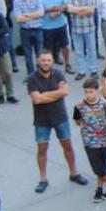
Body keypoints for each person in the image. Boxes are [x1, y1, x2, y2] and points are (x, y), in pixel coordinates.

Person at [27, 50, 87, 193]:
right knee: (42, 149)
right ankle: (43, 179)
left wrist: (44, 95)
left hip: (60, 117)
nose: (46, 63)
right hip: (41, 120)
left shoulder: (59, 74)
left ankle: (74, 173)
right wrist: (56, 94)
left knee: (67, 146)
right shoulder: (32, 79)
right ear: (38, 62)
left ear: (52, 61)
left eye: (48, 60)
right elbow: (36, 99)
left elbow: (65, 91)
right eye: (43, 60)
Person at [73, 78, 106, 203]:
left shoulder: (104, 104)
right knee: (97, 167)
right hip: (89, 141)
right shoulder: (79, 106)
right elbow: (78, 121)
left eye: (91, 92)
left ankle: (99, 188)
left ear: (97, 91)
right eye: (86, 92)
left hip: (103, 138)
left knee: (103, 166)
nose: (88, 95)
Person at [67, 0, 98, 80]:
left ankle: (93, 70)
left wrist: (77, 10)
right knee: (79, 51)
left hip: (89, 28)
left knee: (91, 50)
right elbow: (70, 9)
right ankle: (81, 71)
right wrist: (84, 9)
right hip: (76, 29)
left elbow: (91, 10)